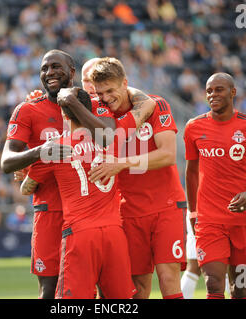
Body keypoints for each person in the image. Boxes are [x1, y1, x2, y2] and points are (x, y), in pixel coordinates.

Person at [1, 50, 147, 298]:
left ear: (72, 73)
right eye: (44, 68)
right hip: (50, 210)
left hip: (87, 217)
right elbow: (7, 162)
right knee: (50, 289)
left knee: (97, 288)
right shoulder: (28, 109)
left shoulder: (94, 104)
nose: (49, 73)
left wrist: (31, 173)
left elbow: (111, 134)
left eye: (56, 67)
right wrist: (39, 153)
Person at [87, 57, 186, 299]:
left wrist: (121, 163)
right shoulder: (100, 113)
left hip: (166, 206)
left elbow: (167, 155)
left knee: (168, 276)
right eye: (100, 93)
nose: (106, 97)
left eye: (111, 90)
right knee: (138, 287)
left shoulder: (157, 105)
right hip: (128, 212)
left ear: (125, 84)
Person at [183, 72, 246, 299]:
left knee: (240, 288)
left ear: (233, 92)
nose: (212, 94)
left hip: (242, 221)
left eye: (219, 89)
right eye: (209, 91)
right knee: (214, 283)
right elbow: (191, 172)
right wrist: (192, 211)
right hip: (209, 219)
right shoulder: (194, 127)